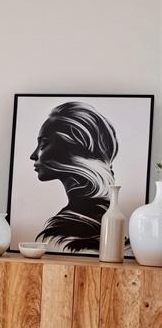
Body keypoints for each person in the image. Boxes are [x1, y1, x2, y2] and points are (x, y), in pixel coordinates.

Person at [30, 101, 120, 252]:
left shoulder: (65, 233)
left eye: (43, 144)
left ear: (72, 148)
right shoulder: (100, 215)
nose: (33, 155)